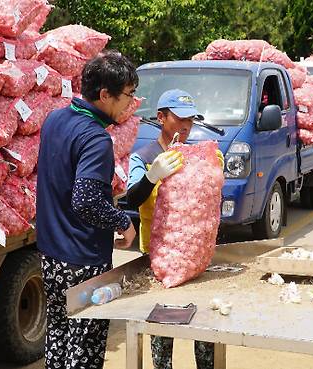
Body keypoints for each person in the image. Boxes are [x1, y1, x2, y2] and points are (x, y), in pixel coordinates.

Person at [36, 51, 138, 369]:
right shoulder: (96, 139)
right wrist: (123, 222)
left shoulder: (55, 119)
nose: (130, 104)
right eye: (127, 96)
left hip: (51, 254)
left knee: (58, 337)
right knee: (85, 348)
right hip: (82, 261)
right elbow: (87, 201)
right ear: (105, 94)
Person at [125, 89, 223, 369]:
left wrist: (215, 174)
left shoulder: (199, 155)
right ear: (161, 117)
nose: (186, 126)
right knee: (163, 335)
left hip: (195, 260)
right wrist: (151, 176)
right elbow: (132, 198)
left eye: (191, 120)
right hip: (159, 263)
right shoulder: (145, 156)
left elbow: (208, 206)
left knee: (203, 330)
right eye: (179, 119)